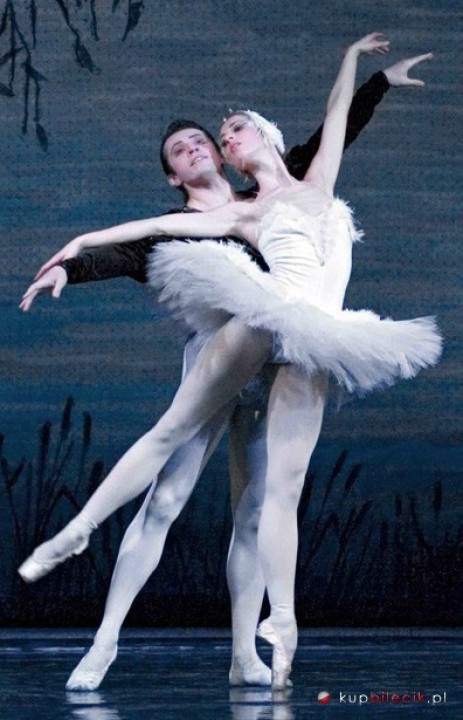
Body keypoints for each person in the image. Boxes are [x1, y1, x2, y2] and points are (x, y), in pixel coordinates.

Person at [19, 36, 440, 690]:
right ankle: (103, 639)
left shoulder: (281, 183)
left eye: (207, 139)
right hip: (227, 354)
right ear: (173, 175)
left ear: (228, 152)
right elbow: (129, 246)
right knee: (166, 497)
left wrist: (374, 76)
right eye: (180, 149)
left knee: (257, 509)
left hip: (287, 356)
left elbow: (337, 126)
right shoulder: (210, 219)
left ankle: (248, 651)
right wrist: (71, 264)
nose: (198, 146)